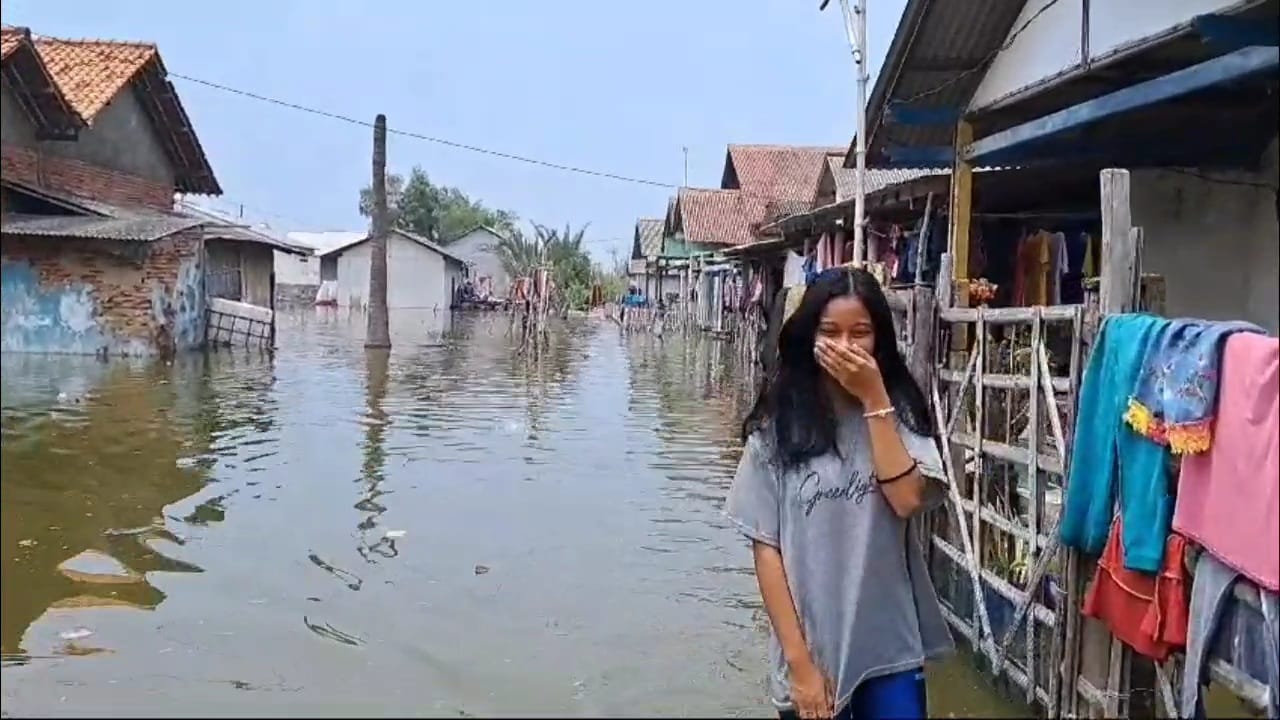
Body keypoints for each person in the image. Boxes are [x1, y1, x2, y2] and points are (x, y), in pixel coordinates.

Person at [727, 266, 953, 720]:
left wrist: (874, 400)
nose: (845, 346)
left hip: (891, 648)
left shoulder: (901, 415)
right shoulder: (778, 431)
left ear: (879, 341)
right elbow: (766, 552)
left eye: (860, 333)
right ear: (810, 337)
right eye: (829, 332)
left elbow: (907, 500)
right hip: (812, 653)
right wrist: (800, 665)